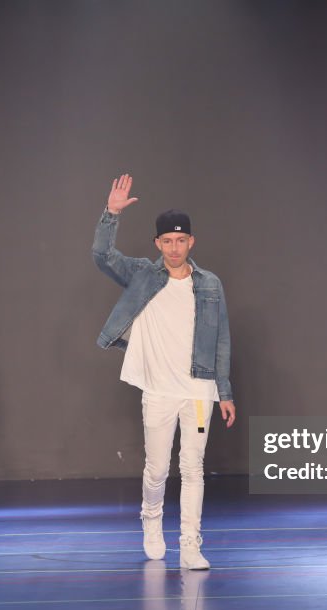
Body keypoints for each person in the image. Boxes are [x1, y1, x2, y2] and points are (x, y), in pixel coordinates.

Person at [93, 174, 235, 570]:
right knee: (157, 469)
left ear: (191, 242)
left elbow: (222, 337)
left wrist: (225, 392)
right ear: (158, 244)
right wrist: (111, 214)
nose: (174, 247)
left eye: (181, 240)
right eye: (167, 241)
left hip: (199, 389)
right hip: (158, 389)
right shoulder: (142, 274)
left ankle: (190, 543)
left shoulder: (209, 285)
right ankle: (151, 520)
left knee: (193, 469)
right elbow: (102, 256)